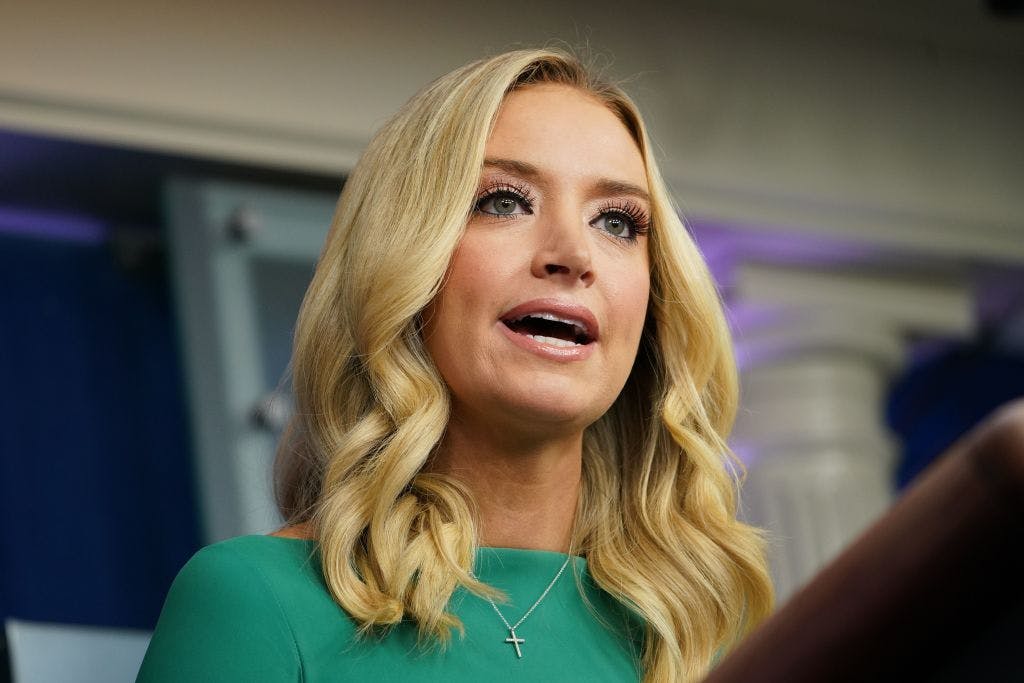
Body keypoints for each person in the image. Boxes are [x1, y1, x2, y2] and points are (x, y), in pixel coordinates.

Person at [137, 48, 773, 683]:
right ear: (400, 259)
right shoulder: (253, 600)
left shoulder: (703, 633)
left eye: (617, 221)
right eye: (505, 202)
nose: (574, 255)